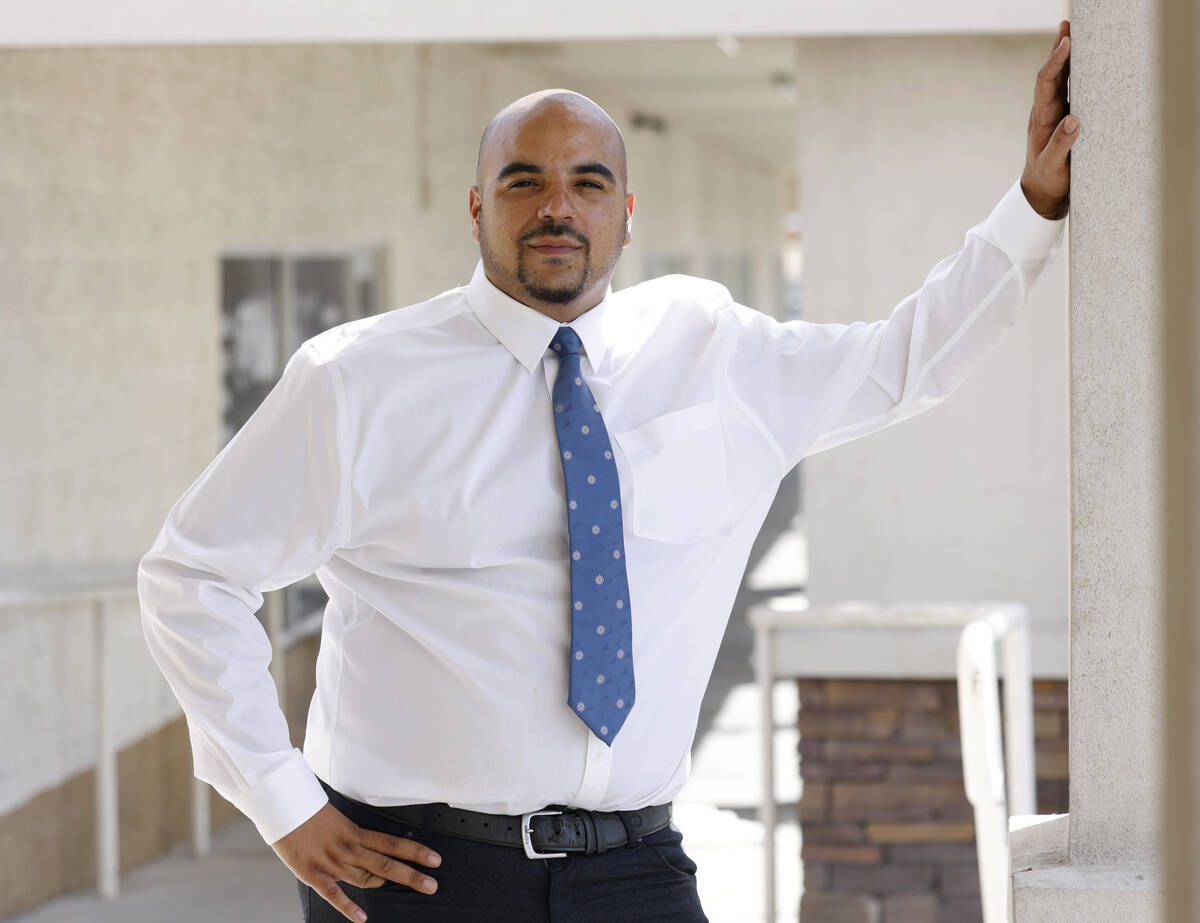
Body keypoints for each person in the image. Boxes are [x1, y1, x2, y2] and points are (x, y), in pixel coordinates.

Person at [137, 21, 1078, 923]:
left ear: (626, 215)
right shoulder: (358, 380)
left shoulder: (713, 349)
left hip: (637, 870)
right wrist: (280, 799)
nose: (557, 205)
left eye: (588, 183)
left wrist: (1033, 205)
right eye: (523, 181)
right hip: (420, 879)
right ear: (477, 207)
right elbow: (192, 573)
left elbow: (900, 362)